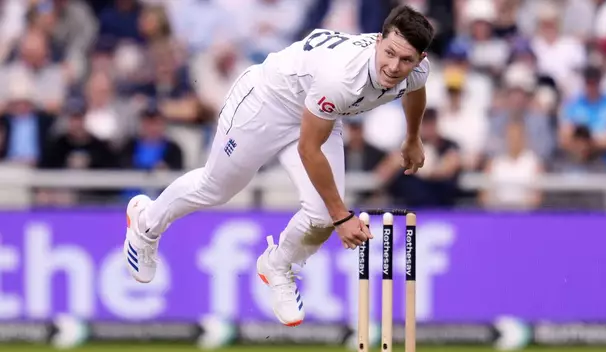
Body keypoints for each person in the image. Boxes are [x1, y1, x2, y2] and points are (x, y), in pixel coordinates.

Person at [123, 5, 435, 327]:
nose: (394, 67)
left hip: (318, 114)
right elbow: (308, 149)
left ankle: (277, 265)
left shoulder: (416, 72)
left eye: (406, 60)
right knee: (216, 189)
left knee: (321, 215)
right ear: (378, 41)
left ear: (420, 60)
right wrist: (342, 217)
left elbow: (415, 90)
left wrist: (412, 137)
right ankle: (146, 223)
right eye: (390, 53)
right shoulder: (342, 78)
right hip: (266, 103)